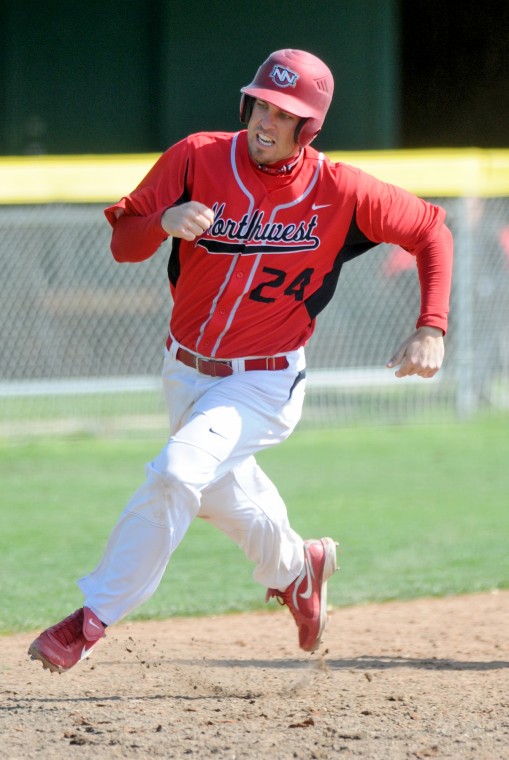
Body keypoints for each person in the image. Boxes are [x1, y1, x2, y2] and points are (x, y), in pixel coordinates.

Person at [28, 48, 453, 673]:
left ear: (307, 127)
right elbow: (124, 243)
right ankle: (298, 569)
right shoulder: (198, 157)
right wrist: (163, 221)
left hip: (265, 382)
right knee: (219, 495)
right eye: (260, 103)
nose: (265, 119)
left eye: (283, 113)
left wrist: (432, 327)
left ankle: (90, 621)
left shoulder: (339, 189)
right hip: (184, 370)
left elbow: (432, 229)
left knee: (178, 474)